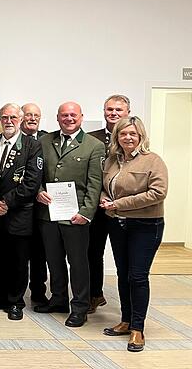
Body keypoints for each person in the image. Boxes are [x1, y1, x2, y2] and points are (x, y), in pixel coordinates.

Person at [100, 116, 167, 352]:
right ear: (117, 136)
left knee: (138, 276)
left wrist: (119, 203)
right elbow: (103, 187)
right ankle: (126, 320)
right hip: (118, 224)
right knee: (122, 274)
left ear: (140, 137)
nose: (128, 138)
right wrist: (104, 200)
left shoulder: (153, 160)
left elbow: (158, 193)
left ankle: (138, 329)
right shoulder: (111, 161)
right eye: (123, 134)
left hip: (146, 225)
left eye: (133, 134)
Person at [35, 102, 104, 328]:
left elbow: (95, 184)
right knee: (53, 261)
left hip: (76, 217)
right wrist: (38, 192)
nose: (69, 119)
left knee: (78, 263)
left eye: (73, 115)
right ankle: (58, 299)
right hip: (49, 214)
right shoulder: (45, 141)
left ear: (81, 117)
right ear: (57, 118)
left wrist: (86, 213)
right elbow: (35, 174)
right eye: (64, 115)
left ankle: (80, 307)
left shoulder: (94, 146)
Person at [0, 104, 43, 321]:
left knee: (17, 260)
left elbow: (32, 182)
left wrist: (5, 202)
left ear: (21, 119)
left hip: (19, 215)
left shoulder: (32, 146)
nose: (8, 121)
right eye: (4, 117)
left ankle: (15, 301)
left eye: (13, 117)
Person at [87, 94, 131, 314]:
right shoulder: (91, 138)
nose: (113, 114)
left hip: (123, 209)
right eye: (109, 110)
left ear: (127, 113)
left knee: (124, 256)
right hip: (95, 207)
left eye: (118, 110)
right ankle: (95, 294)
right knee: (92, 252)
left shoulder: (132, 139)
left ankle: (129, 308)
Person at [20, 102, 49, 304]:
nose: (32, 118)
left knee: (40, 253)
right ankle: (14, 295)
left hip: (43, 207)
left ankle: (38, 292)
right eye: (28, 115)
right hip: (19, 207)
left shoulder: (47, 139)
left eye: (36, 115)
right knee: (18, 253)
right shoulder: (13, 139)